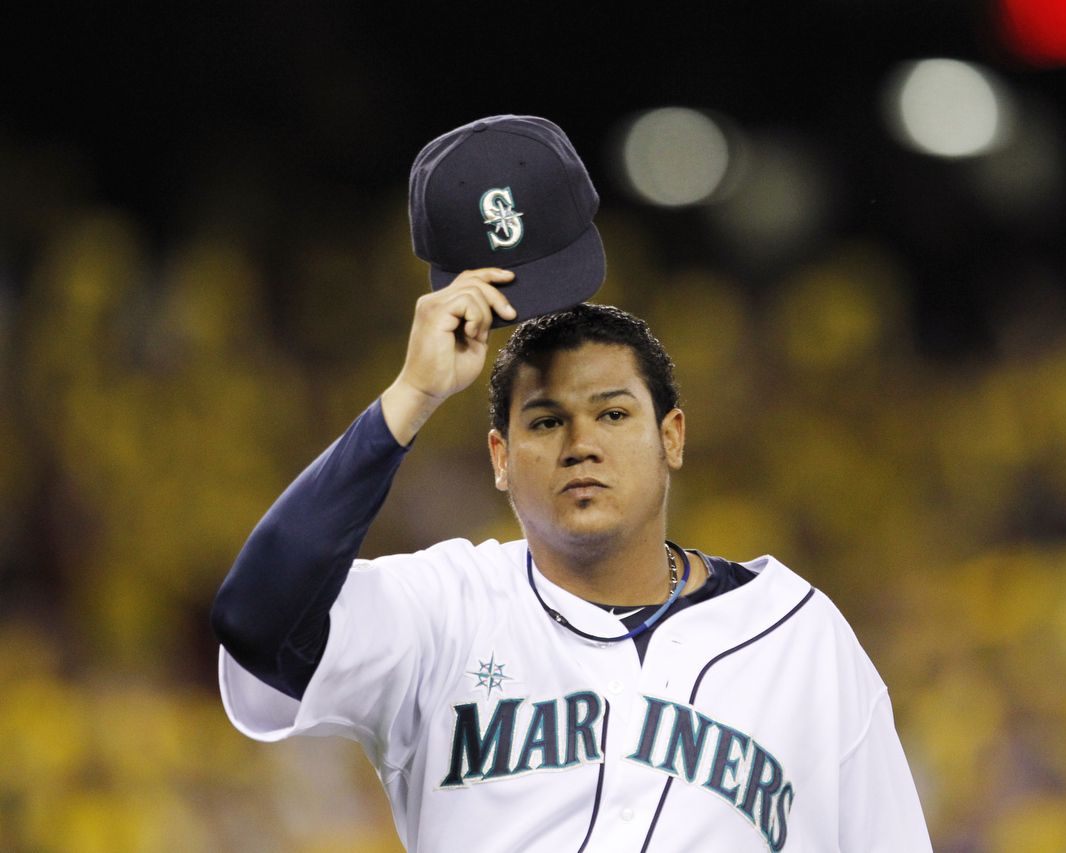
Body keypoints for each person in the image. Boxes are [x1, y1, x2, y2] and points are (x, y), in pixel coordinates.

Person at [213, 116, 932, 852]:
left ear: (672, 437)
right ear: (500, 457)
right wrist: (411, 397)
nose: (582, 444)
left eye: (614, 414)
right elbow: (256, 622)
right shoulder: (443, 610)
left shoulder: (801, 637)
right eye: (546, 422)